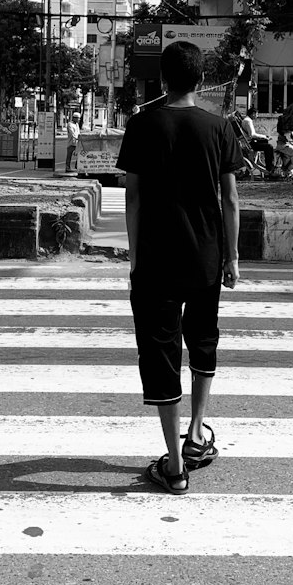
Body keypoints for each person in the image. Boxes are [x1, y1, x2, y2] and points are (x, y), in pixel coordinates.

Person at [116, 40, 245, 494]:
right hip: (206, 256)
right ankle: (196, 433)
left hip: (156, 259)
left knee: (162, 353)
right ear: (201, 78)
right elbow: (229, 198)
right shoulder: (218, 127)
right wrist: (231, 256)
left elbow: (132, 196)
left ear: (163, 80)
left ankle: (174, 466)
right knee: (203, 339)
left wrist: (135, 256)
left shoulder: (142, 124)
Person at [238, 107, 275, 175]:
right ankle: (270, 168)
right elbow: (252, 134)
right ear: (253, 114)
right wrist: (265, 136)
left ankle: (269, 166)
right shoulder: (248, 121)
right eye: (257, 114)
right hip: (250, 143)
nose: (257, 116)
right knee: (269, 147)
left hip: (249, 141)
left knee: (265, 142)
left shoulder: (246, 120)